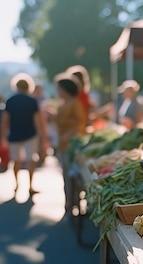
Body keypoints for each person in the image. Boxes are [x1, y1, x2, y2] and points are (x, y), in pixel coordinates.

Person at [0, 73, 49, 195]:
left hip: (14, 134)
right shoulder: (32, 101)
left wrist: (2, 137)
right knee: (30, 160)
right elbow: (39, 121)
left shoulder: (10, 101)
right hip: (30, 134)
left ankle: (17, 184)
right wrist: (44, 137)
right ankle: (30, 186)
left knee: (16, 160)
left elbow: (4, 121)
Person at [53, 74, 88, 214]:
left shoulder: (75, 103)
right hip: (63, 144)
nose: (58, 91)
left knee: (71, 176)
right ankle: (70, 203)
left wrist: (68, 134)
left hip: (71, 145)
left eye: (59, 88)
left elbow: (80, 122)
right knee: (66, 177)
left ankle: (73, 204)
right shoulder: (63, 103)